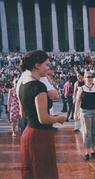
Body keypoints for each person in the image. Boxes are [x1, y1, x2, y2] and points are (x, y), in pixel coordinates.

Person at [19, 50, 66, 179]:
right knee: (44, 173)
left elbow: (23, 114)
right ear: (37, 65)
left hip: (28, 133)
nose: (48, 68)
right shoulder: (39, 86)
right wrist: (59, 118)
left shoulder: (22, 84)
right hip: (40, 136)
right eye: (46, 65)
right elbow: (43, 119)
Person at [74, 71, 95, 160]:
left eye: (91, 77)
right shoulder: (81, 88)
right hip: (85, 112)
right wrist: (75, 113)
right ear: (84, 78)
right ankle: (87, 152)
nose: (90, 78)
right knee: (87, 132)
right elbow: (77, 102)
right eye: (88, 77)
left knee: (94, 132)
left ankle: (94, 151)